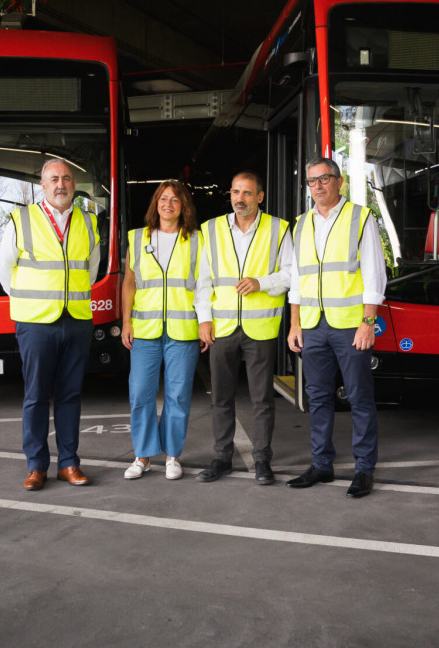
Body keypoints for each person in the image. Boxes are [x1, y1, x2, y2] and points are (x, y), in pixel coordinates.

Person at [285, 158, 386, 499]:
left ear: (338, 182)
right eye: (312, 181)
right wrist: (295, 324)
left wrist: (368, 323)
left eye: (324, 178)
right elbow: (296, 280)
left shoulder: (360, 217)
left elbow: (374, 274)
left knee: (359, 398)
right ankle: (321, 464)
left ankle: (364, 469)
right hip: (313, 326)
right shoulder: (300, 224)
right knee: (318, 398)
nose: (318, 185)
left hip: (349, 327)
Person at [0, 158, 99, 492]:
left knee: (70, 395)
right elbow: (3, 269)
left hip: (77, 320)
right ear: (43, 184)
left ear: (73, 184)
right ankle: (36, 466)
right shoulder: (21, 219)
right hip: (36, 323)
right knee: (36, 395)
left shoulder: (89, 222)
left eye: (67, 178)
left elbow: (91, 269)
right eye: (54, 178)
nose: (61, 184)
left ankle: (69, 464)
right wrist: (30, 303)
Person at [194, 171, 293, 485]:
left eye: (247, 193)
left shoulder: (278, 229)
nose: (240, 198)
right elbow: (203, 281)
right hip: (222, 326)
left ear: (260, 197)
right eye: (236, 191)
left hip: (260, 327)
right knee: (220, 397)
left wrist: (261, 283)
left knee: (262, 398)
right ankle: (222, 456)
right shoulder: (210, 229)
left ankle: (262, 460)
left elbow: (293, 274)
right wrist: (204, 319)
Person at [120, 179, 210, 481]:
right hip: (145, 330)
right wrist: (126, 322)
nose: (168, 204)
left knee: (178, 395)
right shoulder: (137, 237)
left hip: (183, 330)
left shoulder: (196, 240)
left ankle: (172, 456)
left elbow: (202, 286)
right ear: (155, 204)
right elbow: (130, 283)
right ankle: (143, 456)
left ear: (184, 206)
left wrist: (203, 323)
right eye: (163, 199)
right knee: (141, 394)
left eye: (175, 200)